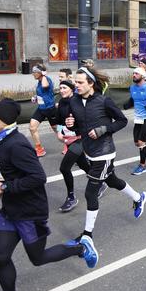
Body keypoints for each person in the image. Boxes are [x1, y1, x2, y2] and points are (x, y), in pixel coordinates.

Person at [0, 98, 97, 291]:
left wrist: (3, 186)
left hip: (30, 213)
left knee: (38, 258)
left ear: (4, 121)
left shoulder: (16, 145)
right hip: (10, 210)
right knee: (0, 256)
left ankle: (81, 247)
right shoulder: (4, 142)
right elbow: (14, 172)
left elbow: (38, 178)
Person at [64, 67, 146, 248]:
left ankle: (87, 236)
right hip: (89, 151)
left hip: (104, 152)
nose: (75, 85)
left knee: (90, 192)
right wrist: (70, 125)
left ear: (91, 84)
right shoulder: (74, 102)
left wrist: (103, 130)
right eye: (75, 82)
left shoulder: (104, 101)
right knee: (111, 180)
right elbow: (79, 128)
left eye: (80, 82)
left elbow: (122, 121)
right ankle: (138, 198)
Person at [55, 80, 90, 212]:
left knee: (64, 168)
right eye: (60, 88)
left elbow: (86, 118)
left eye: (64, 88)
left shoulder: (78, 101)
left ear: (71, 89)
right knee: (83, 164)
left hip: (80, 138)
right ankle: (102, 182)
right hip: (69, 139)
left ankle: (71, 197)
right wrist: (59, 132)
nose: (62, 90)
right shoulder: (62, 102)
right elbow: (58, 120)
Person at [29, 64, 59, 157]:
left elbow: (45, 86)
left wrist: (44, 74)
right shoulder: (39, 81)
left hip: (50, 109)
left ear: (40, 73)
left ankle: (68, 144)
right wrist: (36, 97)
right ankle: (39, 149)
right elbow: (42, 92)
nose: (32, 74)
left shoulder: (46, 79)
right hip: (41, 109)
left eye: (34, 72)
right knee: (32, 127)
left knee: (57, 129)